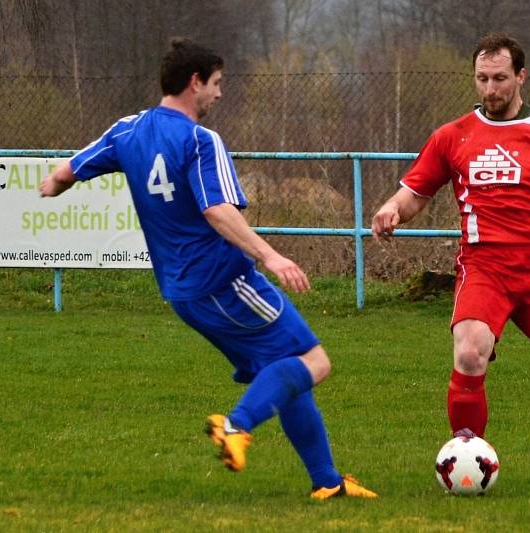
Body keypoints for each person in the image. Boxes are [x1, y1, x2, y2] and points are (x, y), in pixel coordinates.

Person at [40, 38, 376, 499]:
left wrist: (50, 186)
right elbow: (217, 209)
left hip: (182, 292)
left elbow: (63, 175)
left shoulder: (127, 130)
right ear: (194, 82)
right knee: (313, 361)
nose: (219, 94)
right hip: (225, 281)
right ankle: (236, 426)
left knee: (281, 371)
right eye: (216, 84)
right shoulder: (200, 139)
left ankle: (327, 483)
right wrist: (271, 256)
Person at [372, 32, 530, 439]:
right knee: (469, 352)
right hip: (485, 267)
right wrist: (393, 208)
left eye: (499, 78)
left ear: (521, 76)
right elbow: (415, 192)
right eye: (482, 78)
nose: (490, 88)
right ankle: (467, 454)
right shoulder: (453, 136)